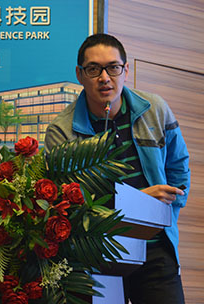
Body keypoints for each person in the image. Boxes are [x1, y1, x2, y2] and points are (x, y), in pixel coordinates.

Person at [44, 33, 190, 304]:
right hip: (96, 253)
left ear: (126, 70)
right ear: (79, 74)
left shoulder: (155, 110)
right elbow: (69, 205)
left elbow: (179, 168)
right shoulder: (61, 132)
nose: (104, 77)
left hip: (155, 249)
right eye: (93, 69)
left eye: (113, 67)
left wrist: (164, 214)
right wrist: (138, 204)